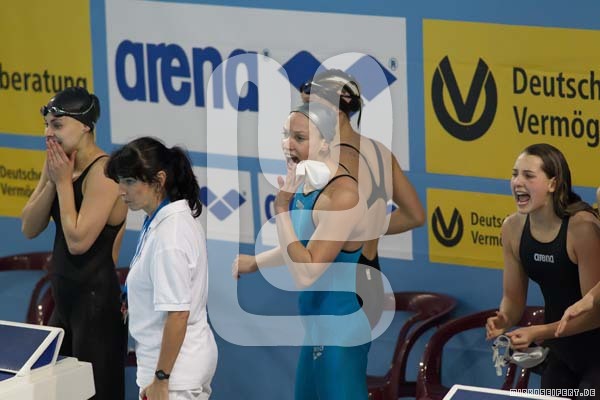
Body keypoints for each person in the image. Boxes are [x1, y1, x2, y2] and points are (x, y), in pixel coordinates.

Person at [234, 102, 371, 399]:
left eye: (299, 137)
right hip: (316, 329)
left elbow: (306, 272)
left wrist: (282, 209)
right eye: (286, 134)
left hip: (340, 332)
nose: (288, 144)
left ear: (325, 143)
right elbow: (300, 248)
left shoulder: (342, 196)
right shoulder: (305, 184)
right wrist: (256, 262)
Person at [20, 87, 128, 399]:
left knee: (97, 394)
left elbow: (78, 241)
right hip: (64, 302)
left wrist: (63, 183)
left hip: (96, 307)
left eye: (57, 125)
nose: (48, 133)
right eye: (46, 125)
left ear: (85, 127)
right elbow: (29, 227)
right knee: (58, 393)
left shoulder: (105, 172)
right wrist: (54, 181)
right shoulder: (58, 164)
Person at [299, 69, 426, 326]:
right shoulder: (380, 153)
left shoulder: (328, 161)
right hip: (369, 277)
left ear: (335, 111)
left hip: (338, 283)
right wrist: (369, 228)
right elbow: (415, 216)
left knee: (329, 352)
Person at [105, 137, 217, 400]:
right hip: (179, 366)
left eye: (129, 181)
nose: (121, 190)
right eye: (120, 181)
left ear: (159, 180)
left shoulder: (170, 237)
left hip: (173, 375)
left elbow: (178, 314)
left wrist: (161, 379)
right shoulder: (165, 222)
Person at [485, 143, 600, 396]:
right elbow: (513, 299)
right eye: (515, 174)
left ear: (553, 183)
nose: (518, 182)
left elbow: (595, 312)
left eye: (528, 175)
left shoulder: (582, 229)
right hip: (561, 350)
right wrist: (504, 319)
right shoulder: (512, 229)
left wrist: (539, 331)